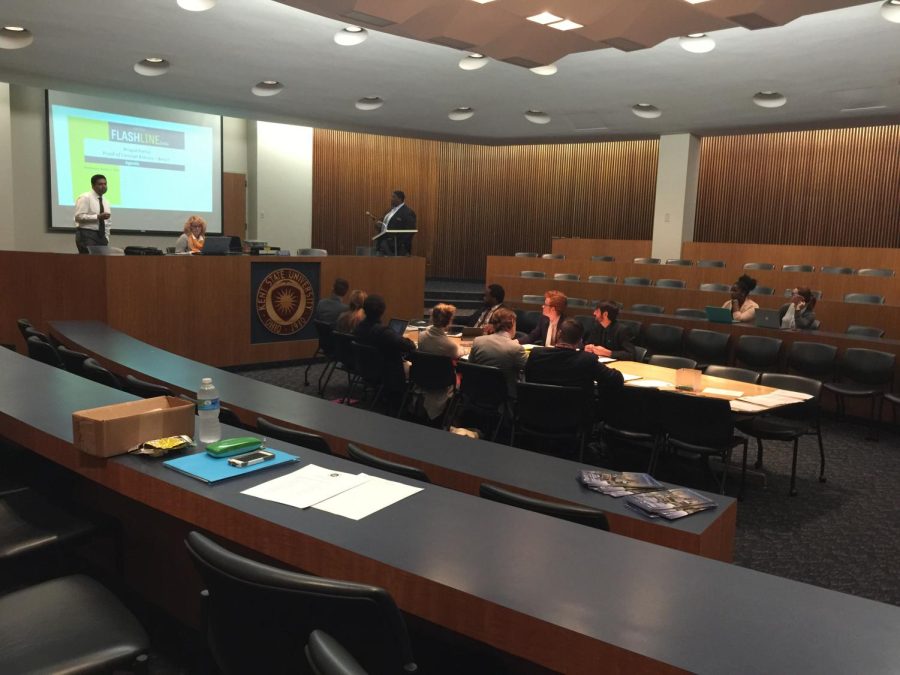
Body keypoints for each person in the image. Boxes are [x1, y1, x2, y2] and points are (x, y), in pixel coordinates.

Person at [353, 294, 416, 412]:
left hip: (366, 368)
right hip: (386, 373)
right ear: (382, 311)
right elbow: (409, 346)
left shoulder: (359, 327)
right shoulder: (383, 332)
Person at [524, 319, 624, 394]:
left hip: (536, 414)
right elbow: (616, 379)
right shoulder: (587, 360)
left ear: (558, 334)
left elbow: (527, 377)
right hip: (576, 418)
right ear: (580, 340)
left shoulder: (536, 354)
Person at [468, 308, 527, 397]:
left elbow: (470, 365)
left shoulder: (477, 341)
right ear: (512, 324)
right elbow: (530, 371)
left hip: (477, 392)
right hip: (505, 395)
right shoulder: (516, 348)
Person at [416, 303, 461, 420]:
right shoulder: (450, 346)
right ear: (449, 321)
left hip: (423, 377)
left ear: (432, 317)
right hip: (442, 382)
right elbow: (458, 353)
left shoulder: (421, 336)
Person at [368, 190, 416, 256]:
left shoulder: (407, 212)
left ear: (399, 199)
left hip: (397, 248)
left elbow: (410, 231)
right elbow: (384, 224)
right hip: (383, 244)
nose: (391, 199)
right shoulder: (389, 211)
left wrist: (401, 245)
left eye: (393, 197)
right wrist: (379, 225)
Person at [73, 174, 111, 254]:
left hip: (102, 236)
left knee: (101, 263)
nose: (103, 186)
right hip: (87, 234)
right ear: (93, 185)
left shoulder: (106, 201)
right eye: (100, 184)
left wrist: (106, 237)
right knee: (89, 262)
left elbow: (107, 222)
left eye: (105, 184)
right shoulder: (85, 197)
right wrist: (97, 217)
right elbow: (78, 217)